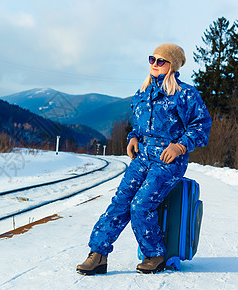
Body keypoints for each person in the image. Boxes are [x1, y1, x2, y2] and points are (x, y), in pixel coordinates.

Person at [76, 43, 212, 275]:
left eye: (161, 61)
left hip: (168, 160)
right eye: (152, 59)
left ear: (172, 66)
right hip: (142, 157)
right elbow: (138, 125)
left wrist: (180, 146)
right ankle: (98, 254)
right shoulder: (143, 92)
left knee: (140, 205)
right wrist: (132, 138)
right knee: (119, 203)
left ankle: (155, 254)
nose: (155, 64)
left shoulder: (185, 93)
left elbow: (201, 126)